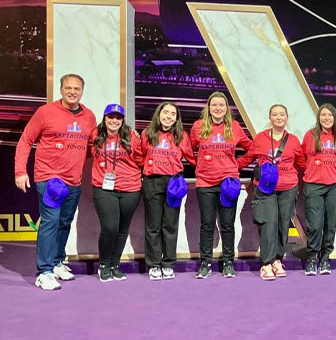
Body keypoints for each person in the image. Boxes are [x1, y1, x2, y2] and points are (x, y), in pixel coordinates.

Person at [14, 73, 96, 290]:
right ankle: (44, 271)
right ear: (60, 90)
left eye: (76, 89)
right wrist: (20, 172)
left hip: (74, 181)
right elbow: (25, 141)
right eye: (68, 88)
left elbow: (91, 148)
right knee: (50, 222)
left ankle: (58, 262)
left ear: (82, 91)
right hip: (49, 179)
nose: (72, 92)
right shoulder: (46, 112)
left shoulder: (89, 117)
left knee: (64, 222)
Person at [190, 92, 255, 279]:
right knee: (207, 224)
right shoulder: (198, 126)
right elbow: (187, 149)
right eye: (214, 105)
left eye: (221, 105)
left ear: (226, 108)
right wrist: (200, 164)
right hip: (205, 182)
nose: (218, 108)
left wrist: (237, 165)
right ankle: (205, 263)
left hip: (228, 183)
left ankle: (228, 262)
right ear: (208, 108)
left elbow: (251, 148)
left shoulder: (234, 127)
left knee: (227, 224)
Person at [141, 101, 195, 280]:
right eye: (165, 112)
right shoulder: (147, 134)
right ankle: (154, 264)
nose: (169, 116)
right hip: (152, 181)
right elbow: (139, 156)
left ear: (176, 118)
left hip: (174, 183)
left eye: (173, 114)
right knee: (153, 225)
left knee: (170, 225)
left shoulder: (182, 136)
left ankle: (169, 263)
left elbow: (193, 159)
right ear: (159, 114)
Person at [89, 103, 143, 282]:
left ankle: (115, 265)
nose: (114, 120)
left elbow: (141, 159)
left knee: (122, 229)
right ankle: (104, 265)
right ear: (104, 118)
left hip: (131, 187)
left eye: (118, 118)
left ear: (122, 120)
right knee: (109, 227)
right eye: (111, 117)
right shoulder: (95, 135)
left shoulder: (132, 137)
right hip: (104, 188)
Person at [251, 104, 304, 280]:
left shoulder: (294, 140)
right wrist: (231, 170)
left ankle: (278, 260)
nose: (279, 117)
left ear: (287, 118)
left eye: (282, 114)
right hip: (266, 188)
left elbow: (302, 163)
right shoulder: (260, 138)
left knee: (283, 224)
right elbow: (249, 156)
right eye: (275, 115)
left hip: (288, 187)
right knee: (268, 224)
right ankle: (266, 263)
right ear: (270, 118)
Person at [301, 103, 336, 276]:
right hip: (314, 186)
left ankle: (325, 258)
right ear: (319, 117)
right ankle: (312, 258)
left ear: (335, 118)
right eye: (323, 115)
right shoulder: (310, 135)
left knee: (331, 224)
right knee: (314, 225)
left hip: (335, 186)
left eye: (330, 115)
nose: (327, 118)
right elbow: (301, 158)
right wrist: (311, 171)